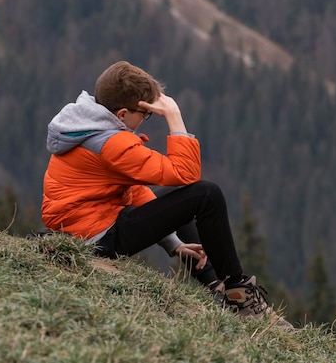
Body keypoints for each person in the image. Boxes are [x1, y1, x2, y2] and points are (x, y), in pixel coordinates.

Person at [41, 60, 292, 329]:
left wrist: (174, 243)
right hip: (96, 237)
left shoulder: (89, 124)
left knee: (182, 198)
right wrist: (174, 116)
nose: (146, 120)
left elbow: (133, 188)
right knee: (206, 195)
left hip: (87, 223)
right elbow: (186, 173)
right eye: (145, 114)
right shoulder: (112, 143)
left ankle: (217, 287)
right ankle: (240, 297)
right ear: (123, 113)